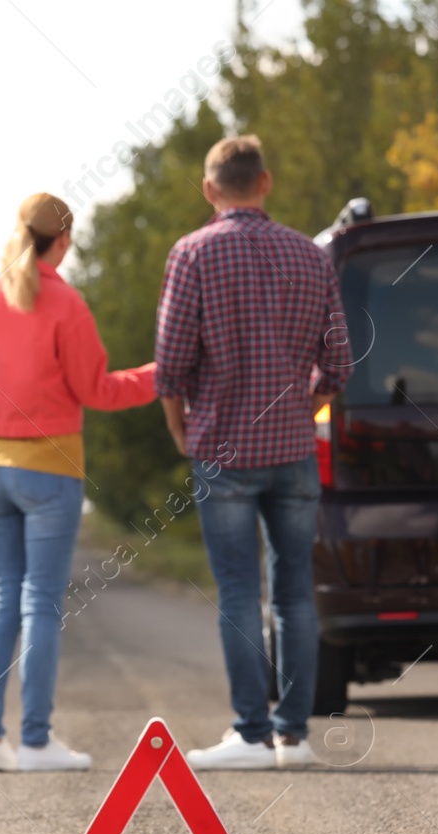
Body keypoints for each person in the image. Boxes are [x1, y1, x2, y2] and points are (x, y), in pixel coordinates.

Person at [154, 135, 354, 770]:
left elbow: (171, 364)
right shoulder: (310, 256)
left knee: (239, 591)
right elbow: (341, 363)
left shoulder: (192, 254)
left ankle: (249, 733)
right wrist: (306, 402)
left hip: (223, 448)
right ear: (264, 182)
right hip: (293, 449)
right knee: (295, 594)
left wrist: (180, 426)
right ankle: (294, 736)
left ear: (211, 189)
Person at [0, 193, 156, 772]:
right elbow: (99, 392)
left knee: (3, 602)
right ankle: (36, 741)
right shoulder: (66, 302)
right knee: (40, 603)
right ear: (61, 242)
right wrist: (160, 375)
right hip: (49, 472)